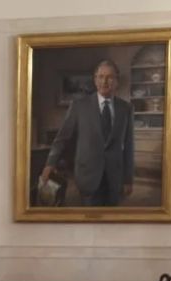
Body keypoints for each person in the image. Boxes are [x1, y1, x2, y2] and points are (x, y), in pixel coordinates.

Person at [40, 59, 135, 206]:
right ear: (95, 80)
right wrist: (50, 163)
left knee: (113, 224)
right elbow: (62, 139)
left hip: (115, 178)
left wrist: (128, 179)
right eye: (101, 77)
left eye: (110, 77)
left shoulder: (125, 109)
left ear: (116, 81)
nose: (105, 81)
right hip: (88, 175)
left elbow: (129, 146)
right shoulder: (79, 106)